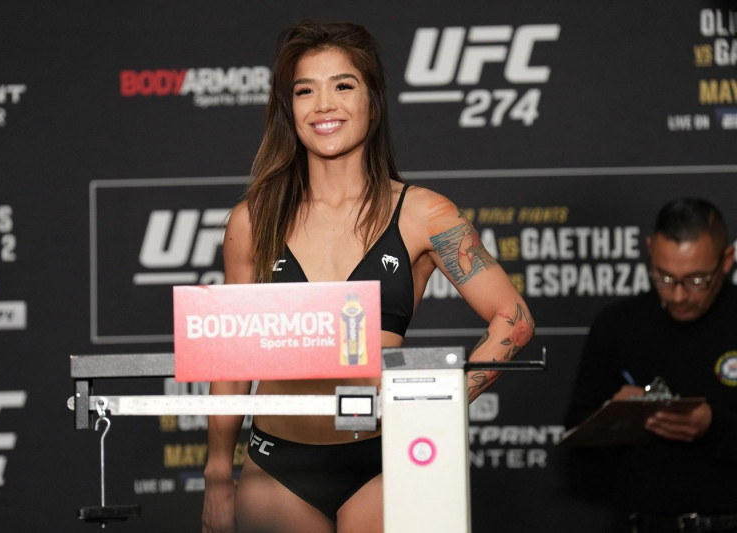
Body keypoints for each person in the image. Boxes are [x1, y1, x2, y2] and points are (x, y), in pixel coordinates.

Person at [202, 20, 534, 533]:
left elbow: (513, 319)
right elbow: (231, 359)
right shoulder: (254, 220)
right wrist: (217, 475)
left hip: (384, 462)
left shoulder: (424, 214)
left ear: (372, 101)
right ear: (289, 109)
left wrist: (439, 402)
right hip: (276, 468)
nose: (323, 104)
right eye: (305, 90)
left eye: (343, 85)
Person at [564, 197, 737, 532]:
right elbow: (575, 435)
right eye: (665, 277)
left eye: (697, 279)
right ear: (649, 251)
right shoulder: (617, 325)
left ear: (727, 260)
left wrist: (713, 427)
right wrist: (613, 415)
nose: (678, 296)